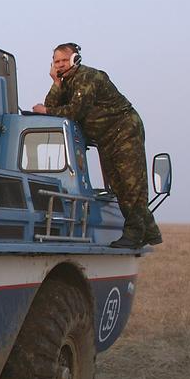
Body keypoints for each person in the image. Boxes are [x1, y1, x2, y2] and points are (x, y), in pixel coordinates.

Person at [31, 43, 160, 249]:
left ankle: (135, 235)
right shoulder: (67, 83)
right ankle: (149, 232)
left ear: (75, 59)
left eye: (64, 60)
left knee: (131, 184)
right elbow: (52, 107)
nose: (61, 65)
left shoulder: (87, 77)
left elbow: (73, 112)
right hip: (106, 138)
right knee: (119, 186)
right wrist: (56, 82)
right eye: (57, 62)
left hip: (124, 130)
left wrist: (46, 110)